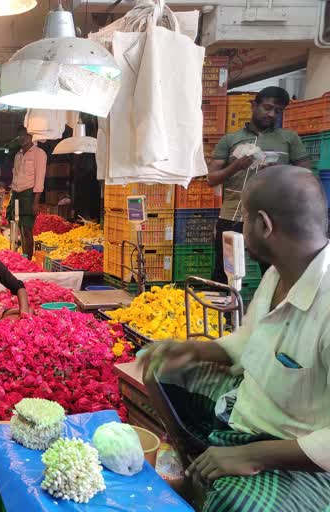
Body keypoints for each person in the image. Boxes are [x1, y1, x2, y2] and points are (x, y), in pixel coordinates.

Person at [141, 166, 330, 512]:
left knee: (236, 502)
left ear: (263, 225)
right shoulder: (278, 275)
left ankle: (224, 478)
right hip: (248, 408)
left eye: (242, 217)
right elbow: (251, 340)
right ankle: (204, 468)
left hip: (302, 456)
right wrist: (193, 350)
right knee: (161, 370)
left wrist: (254, 455)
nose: (240, 226)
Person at [207, 86, 312, 283]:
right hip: (232, 217)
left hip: (273, 219)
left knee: (274, 276)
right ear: (254, 105)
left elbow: (306, 175)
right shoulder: (231, 140)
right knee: (224, 273)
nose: (271, 114)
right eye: (267, 107)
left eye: (278, 110)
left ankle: (270, 313)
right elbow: (211, 179)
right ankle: (224, 314)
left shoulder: (288, 139)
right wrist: (236, 166)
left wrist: (278, 172)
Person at [8, 126, 47, 259]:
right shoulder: (18, 155)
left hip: (29, 195)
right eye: (19, 136)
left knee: (27, 229)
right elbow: (15, 175)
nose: (22, 138)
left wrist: (36, 202)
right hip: (16, 193)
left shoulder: (39, 153)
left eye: (25, 135)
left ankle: (27, 259)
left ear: (32, 136)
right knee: (16, 226)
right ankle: (22, 255)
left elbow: (40, 179)